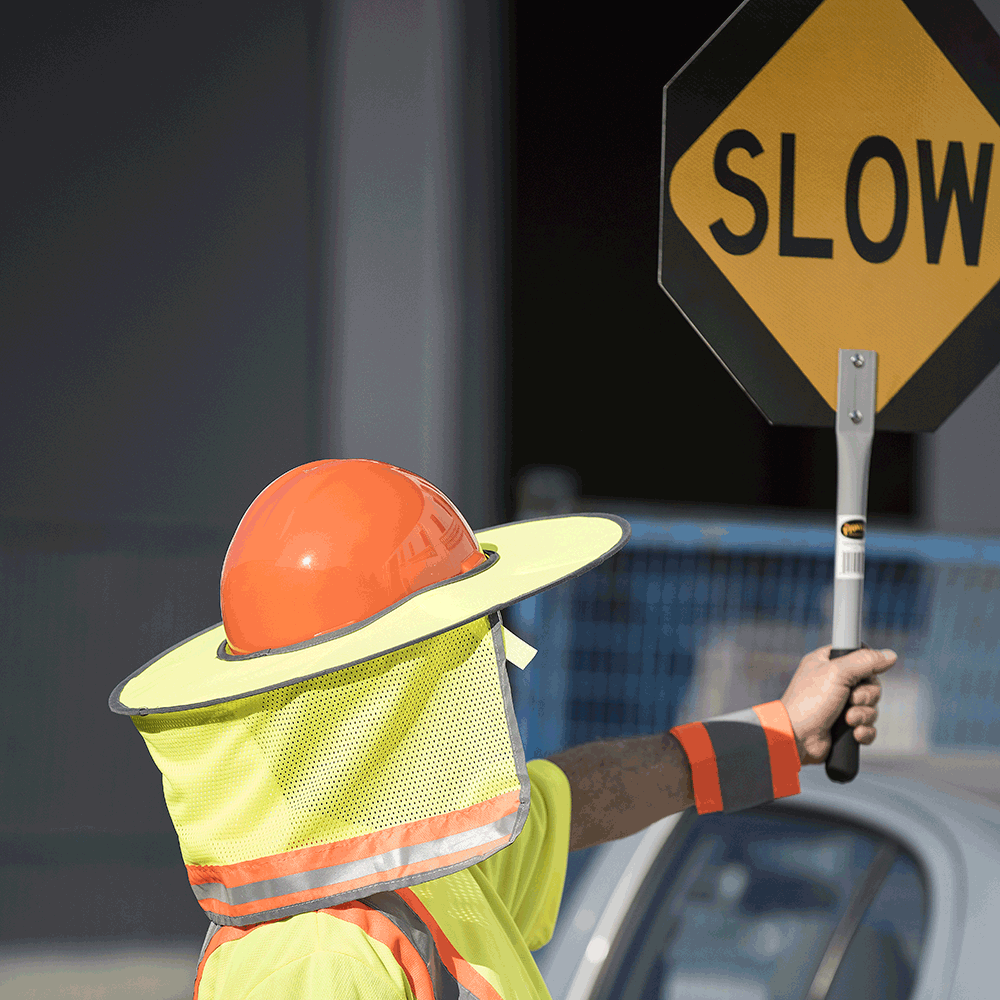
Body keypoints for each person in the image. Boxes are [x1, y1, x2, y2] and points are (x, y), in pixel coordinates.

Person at [109, 459, 895, 1000]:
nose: (487, 662)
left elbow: (582, 799)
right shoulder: (316, 959)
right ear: (390, 684)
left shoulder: (418, 861)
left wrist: (784, 732)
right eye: (461, 640)